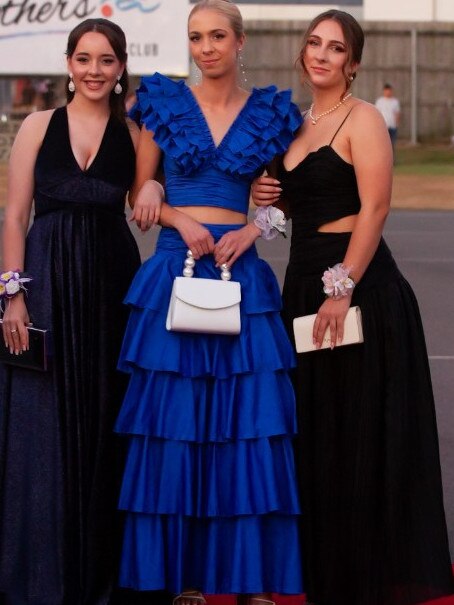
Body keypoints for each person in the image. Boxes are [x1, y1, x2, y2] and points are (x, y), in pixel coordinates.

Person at [252, 10, 454, 605]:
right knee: (318, 432)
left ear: (353, 62)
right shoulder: (292, 122)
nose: (321, 54)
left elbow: (375, 208)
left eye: (335, 48)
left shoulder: (362, 119)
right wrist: (267, 199)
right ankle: (323, 568)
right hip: (302, 288)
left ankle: (363, 574)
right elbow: (287, 212)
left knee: (359, 430)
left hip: (357, 287)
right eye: (313, 43)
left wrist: (342, 290)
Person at [114, 1, 303, 604]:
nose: (207, 48)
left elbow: (283, 200)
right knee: (178, 429)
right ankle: (185, 579)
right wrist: (176, 215)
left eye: (218, 35)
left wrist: (256, 227)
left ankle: (251, 581)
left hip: (239, 274)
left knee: (247, 429)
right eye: (197, 37)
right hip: (176, 267)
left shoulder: (274, 114)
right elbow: (139, 197)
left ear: (241, 41)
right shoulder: (161, 105)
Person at [0, 18, 149, 605]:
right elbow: (14, 216)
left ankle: (102, 574)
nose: (94, 70)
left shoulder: (137, 134)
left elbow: (151, 203)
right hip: (45, 284)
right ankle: (41, 571)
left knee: (108, 414)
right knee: (42, 422)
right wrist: (12, 293)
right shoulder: (37, 126)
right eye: (84, 59)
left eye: (106, 60)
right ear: (68, 64)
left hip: (114, 286)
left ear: (120, 68)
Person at [375, 83, 400, 151]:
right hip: (383, 126)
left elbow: (397, 113)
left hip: (392, 126)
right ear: (384, 91)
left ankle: (391, 160)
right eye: (386, 90)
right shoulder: (380, 101)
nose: (388, 92)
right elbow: (377, 113)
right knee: (382, 144)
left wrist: (397, 124)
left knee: (392, 144)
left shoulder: (395, 101)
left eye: (389, 90)